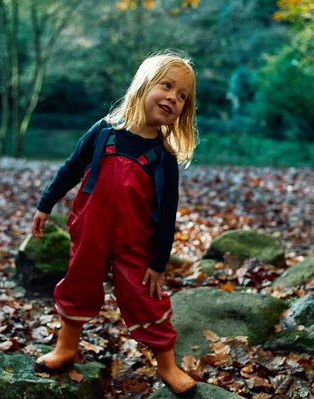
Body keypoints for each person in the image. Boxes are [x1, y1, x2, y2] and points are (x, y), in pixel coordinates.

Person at [31, 50, 198, 397]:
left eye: (182, 96)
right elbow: (71, 168)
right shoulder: (103, 131)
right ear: (143, 85)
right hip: (90, 231)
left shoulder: (163, 158)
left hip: (136, 241)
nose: (173, 97)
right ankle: (66, 348)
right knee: (77, 283)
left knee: (146, 297)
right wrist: (46, 203)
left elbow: (168, 213)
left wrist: (158, 263)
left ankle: (167, 365)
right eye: (166, 86)